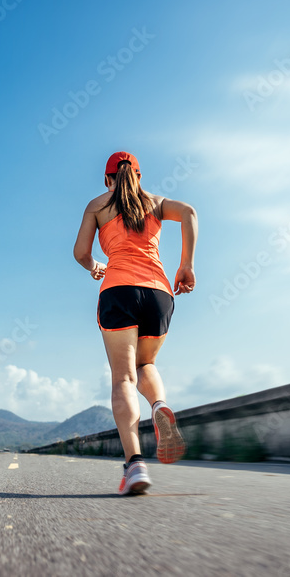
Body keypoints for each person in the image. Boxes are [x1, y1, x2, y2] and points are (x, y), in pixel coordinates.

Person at [73, 151, 198, 495]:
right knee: (146, 364)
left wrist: (95, 264)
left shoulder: (97, 205)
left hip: (119, 290)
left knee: (123, 378)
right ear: (139, 176)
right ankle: (159, 405)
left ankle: (135, 466)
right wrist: (186, 265)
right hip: (158, 293)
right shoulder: (155, 202)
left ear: (107, 179)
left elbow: (80, 252)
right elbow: (189, 212)